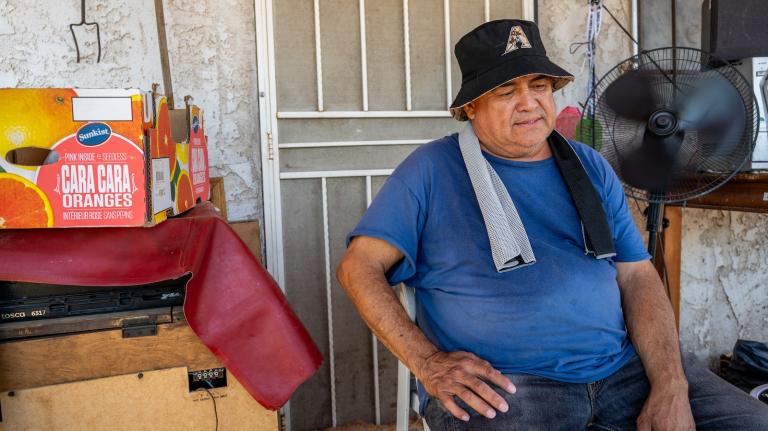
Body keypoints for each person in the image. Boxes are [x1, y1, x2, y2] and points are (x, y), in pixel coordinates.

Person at [336, 19, 768, 430]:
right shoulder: (431, 170)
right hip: (508, 385)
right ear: (471, 106)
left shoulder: (589, 167)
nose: (529, 102)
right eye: (507, 90)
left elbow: (637, 276)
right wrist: (428, 362)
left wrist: (670, 384)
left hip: (623, 370)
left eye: (539, 86)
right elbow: (359, 267)